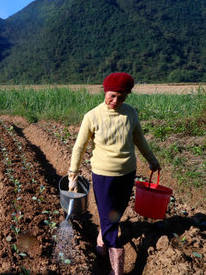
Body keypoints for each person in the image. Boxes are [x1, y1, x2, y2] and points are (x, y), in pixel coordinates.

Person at [67, 72, 160, 275]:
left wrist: (152, 160)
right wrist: (72, 175)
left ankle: (103, 236)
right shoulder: (92, 116)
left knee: (115, 213)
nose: (115, 101)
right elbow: (79, 147)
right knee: (108, 216)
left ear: (127, 96)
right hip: (103, 175)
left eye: (121, 96)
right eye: (112, 96)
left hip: (127, 172)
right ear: (104, 92)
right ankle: (116, 267)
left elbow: (140, 140)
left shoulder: (131, 114)